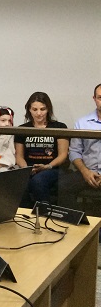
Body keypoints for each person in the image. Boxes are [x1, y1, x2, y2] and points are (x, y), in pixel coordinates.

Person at [14, 92, 68, 205]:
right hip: (29, 168)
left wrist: (48, 166)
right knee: (20, 182)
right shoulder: (23, 129)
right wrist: (26, 169)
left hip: (53, 168)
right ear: (29, 110)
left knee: (38, 180)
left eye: (42, 109)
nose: (39, 113)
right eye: (35, 109)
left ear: (48, 109)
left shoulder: (59, 127)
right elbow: (19, 156)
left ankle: (44, 212)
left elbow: (63, 155)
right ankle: (26, 212)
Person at [58, 83, 101, 212]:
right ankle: (80, 222)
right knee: (62, 185)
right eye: (100, 97)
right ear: (94, 99)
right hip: (88, 171)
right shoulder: (82, 123)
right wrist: (85, 172)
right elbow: (74, 152)